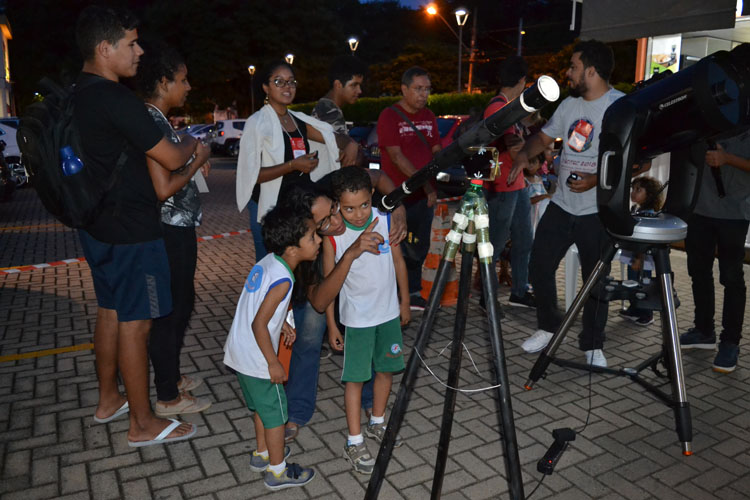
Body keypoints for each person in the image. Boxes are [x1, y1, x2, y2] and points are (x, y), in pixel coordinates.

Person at [74, 6, 209, 446]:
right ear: (104, 48)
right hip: (132, 230)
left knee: (111, 311)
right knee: (138, 322)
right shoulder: (115, 97)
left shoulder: (78, 93)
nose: (140, 51)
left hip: (96, 223)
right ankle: (143, 422)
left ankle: (109, 400)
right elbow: (171, 158)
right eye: (131, 43)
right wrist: (191, 141)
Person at [514, 40, 630, 367]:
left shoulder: (620, 107)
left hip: (597, 211)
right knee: (539, 264)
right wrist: (524, 154)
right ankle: (548, 327)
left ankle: (592, 344)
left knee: (596, 279)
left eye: (574, 66)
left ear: (591, 71)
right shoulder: (568, 105)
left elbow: (635, 161)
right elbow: (544, 137)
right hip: (562, 205)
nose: (568, 73)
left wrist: (595, 181)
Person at [283, 170, 407, 442]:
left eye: (335, 210)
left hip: (380, 309)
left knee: (379, 362)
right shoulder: (306, 248)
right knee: (308, 336)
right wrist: (350, 254)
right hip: (335, 293)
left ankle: (372, 411)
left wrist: (398, 208)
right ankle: (297, 411)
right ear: (308, 229)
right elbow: (320, 300)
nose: (339, 221)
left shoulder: (340, 190)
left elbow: (376, 177)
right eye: (325, 222)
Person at [136, 41, 212, 416]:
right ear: (164, 83)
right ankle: (167, 395)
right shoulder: (150, 120)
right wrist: (198, 161)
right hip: (168, 231)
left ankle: (172, 375)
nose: (188, 86)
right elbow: (162, 188)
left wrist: (191, 158)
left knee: (182, 305)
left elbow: (171, 171)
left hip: (176, 228)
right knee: (170, 310)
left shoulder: (159, 121)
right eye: (183, 80)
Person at [223, 204, 319, 490]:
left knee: (262, 409)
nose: (319, 241)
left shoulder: (268, 262)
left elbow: (259, 309)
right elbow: (259, 324)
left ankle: (262, 454)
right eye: (313, 237)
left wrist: (284, 325)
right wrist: (273, 362)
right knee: (277, 414)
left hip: (240, 354)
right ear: (292, 247)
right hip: (258, 358)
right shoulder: (284, 279)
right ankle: (277, 471)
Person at [321, 167, 409, 474]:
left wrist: (405, 299)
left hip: (387, 315)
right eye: (348, 208)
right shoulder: (335, 236)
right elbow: (329, 284)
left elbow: (398, 261)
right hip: (357, 320)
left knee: (386, 370)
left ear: (371, 196)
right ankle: (354, 440)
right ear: (336, 205)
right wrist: (332, 325)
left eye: (362, 205)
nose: (357, 215)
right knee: (355, 378)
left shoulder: (385, 219)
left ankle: (378, 422)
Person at [236, 60, 340, 260]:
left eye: (291, 82)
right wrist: (292, 165)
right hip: (270, 211)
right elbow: (252, 175)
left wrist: (350, 143)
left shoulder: (299, 120)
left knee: (301, 268)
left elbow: (330, 137)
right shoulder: (257, 123)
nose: (287, 87)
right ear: (266, 88)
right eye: (279, 82)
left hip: (298, 207)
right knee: (273, 266)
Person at [680, 130, 750, 373]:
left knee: (731, 278)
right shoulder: (707, 118)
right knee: (698, 272)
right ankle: (703, 330)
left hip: (734, 213)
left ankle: (730, 342)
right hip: (698, 209)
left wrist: (727, 159)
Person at [377, 66, 442, 311]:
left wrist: (447, 165)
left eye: (427, 89)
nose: (423, 94)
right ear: (404, 89)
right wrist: (425, 183)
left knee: (419, 243)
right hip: (396, 194)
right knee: (395, 245)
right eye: (418, 88)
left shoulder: (429, 116)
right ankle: (391, 294)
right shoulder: (389, 116)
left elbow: (436, 149)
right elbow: (395, 157)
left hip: (425, 196)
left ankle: (413, 292)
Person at [483, 56, 536, 308]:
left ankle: (519, 291)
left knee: (524, 240)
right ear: (523, 80)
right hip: (502, 187)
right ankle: (487, 297)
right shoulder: (497, 108)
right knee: (495, 244)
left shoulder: (510, 106)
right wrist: (530, 157)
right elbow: (515, 149)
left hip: (517, 185)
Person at [618, 176, 665, 327]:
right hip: (635, 256)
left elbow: (644, 241)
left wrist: (639, 258)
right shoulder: (638, 210)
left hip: (641, 258)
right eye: (633, 189)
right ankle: (635, 309)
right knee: (633, 283)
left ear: (650, 195)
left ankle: (646, 314)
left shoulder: (648, 214)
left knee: (642, 284)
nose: (633, 192)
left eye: (638, 190)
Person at [312, 55, 366, 167]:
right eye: (354, 85)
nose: (359, 91)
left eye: (360, 85)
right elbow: (348, 160)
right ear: (338, 84)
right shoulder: (330, 112)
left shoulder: (324, 106)